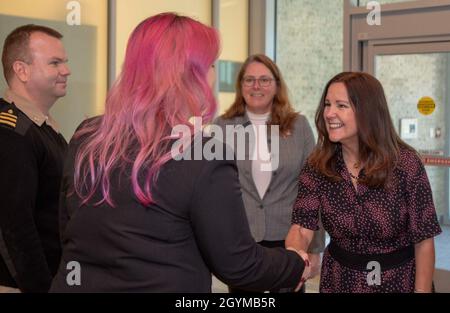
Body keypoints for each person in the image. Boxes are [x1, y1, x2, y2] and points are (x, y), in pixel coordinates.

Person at [49, 13, 310, 293]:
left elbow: (69, 227)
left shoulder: (87, 135)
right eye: (210, 65)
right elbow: (240, 266)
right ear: (190, 76)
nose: (213, 75)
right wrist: (295, 263)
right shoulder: (203, 153)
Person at [286, 71, 442, 293]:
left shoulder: (405, 163)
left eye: (341, 105)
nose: (329, 113)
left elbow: (424, 240)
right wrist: (296, 256)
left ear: (367, 112)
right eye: (327, 104)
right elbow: (301, 227)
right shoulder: (318, 165)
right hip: (340, 281)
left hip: (398, 281)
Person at [214, 54, 325, 293]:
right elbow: (214, 189)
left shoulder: (299, 126)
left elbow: (314, 189)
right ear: (240, 85)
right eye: (249, 79)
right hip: (242, 237)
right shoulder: (222, 126)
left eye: (264, 80)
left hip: (290, 239)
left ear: (276, 85)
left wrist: (315, 247)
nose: (256, 86)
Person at [0, 24, 70, 292]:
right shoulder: (12, 133)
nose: (66, 70)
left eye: (65, 62)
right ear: (22, 70)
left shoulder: (42, 130)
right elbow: (13, 226)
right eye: (55, 63)